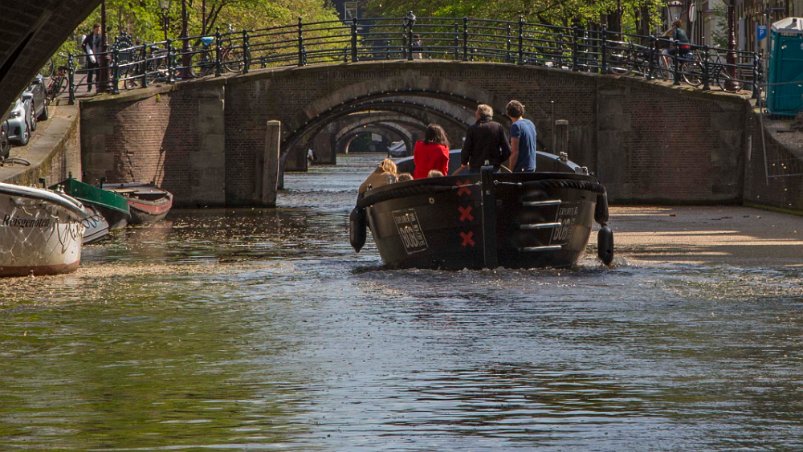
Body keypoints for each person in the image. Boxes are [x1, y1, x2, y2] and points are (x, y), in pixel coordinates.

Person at [458, 104, 511, 173]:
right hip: (494, 168)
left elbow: (466, 149)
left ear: (479, 115)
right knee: (495, 183)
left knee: (477, 183)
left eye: (476, 112)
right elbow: (507, 150)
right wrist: (498, 160)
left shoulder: (472, 129)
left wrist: (464, 162)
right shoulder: (498, 127)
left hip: (476, 168)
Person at [505, 100, 537, 172]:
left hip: (521, 169)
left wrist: (510, 170)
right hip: (531, 166)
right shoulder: (530, 123)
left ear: (508, 114)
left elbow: (515, 152)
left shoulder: (516, 126)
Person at [82, 23, 103, 92]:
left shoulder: (101, 37)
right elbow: (83, 44)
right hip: (91, 57)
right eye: (97, 30)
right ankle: (89, 86)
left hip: (98, 57)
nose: (98, 31)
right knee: (90, 72)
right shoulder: (89, 36)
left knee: (98, 72)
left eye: (99, 30)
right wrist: (87, 52)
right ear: (93, 29)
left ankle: (97, 86)